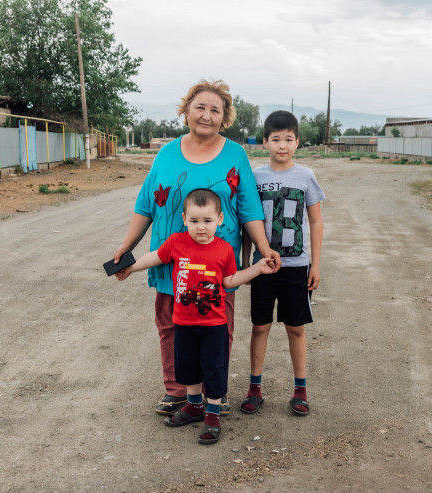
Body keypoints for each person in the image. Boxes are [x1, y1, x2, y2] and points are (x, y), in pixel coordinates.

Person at [112, 80, 281, 416]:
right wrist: (127, 246)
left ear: (224, 118)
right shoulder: (166, 153)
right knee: (171, 326)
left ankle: (214, 393)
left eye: (215, 110)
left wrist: (263, 247)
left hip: (217, 263)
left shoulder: (235, 154)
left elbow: (249, 207)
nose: (206, 115)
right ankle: (178, 390)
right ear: (187, 111)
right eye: (200, 107)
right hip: (171, 261)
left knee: (218, 329)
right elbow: (146, 204)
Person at [116, 189, 275, 444]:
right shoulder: (176, 243)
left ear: (220, 219)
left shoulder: (224, 250)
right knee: (187, 367)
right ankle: (194, 406)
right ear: (184, 219)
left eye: (207, 220)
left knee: (213, 369)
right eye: (194, 220)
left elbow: (229, 281)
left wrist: (257, 269)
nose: (201, 227)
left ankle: (212, 415)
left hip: (214, 325)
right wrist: (130, 267)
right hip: (183, 322)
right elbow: (155, 257)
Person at [239, 110, 325, 417]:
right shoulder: (255, 177)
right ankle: (254, 388)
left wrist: (315, 265)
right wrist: (245, 261)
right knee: (259, 326)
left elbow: (316, 221)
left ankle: (300, 390)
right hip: (263, 267)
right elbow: (247, 221)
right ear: (264, 142)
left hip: (296, 266)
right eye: (276, 139)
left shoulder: (306, 176)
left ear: (297, 142)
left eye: (288, 139)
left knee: (296, 328)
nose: (282, 145)